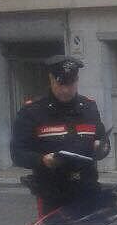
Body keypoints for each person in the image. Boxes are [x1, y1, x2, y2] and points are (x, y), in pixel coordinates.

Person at [10, 55, 111, 215]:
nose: (65, 90)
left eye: (70, 84)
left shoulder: (88, 107)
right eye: (60, 84)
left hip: (87, 189)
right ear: (51, 79)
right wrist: (42, 160)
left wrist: (101, 147)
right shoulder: (33, 112)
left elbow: (102, 141)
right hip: (53, 193)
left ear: (77, 81)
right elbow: (18, 154)